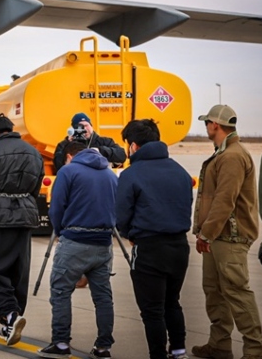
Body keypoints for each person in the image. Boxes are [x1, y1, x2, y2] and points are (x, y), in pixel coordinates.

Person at [115, 119, 193, 359]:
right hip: (179, 246)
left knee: (152, 310)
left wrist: (130, 234)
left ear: (134, 146)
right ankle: (179, 350)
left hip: (148, 248)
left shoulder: (131, 174)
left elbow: (121, 215)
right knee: (172, 302)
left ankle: (157, 354)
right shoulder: (179, 170)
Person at [191, 105, 262, 359]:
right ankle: (220, 344)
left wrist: (205, 234)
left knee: (236, 291)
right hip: (218, 236)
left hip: (229, 237)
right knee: (214, 290)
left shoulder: (232, 155)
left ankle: (254, 350)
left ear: (215, 125)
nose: (206, 128)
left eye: (207, 123)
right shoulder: (223, 153)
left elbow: (225, 200)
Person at [38, 141, 116, 359]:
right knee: (103, 297)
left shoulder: (68, 171)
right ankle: (103, 347)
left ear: (70, 156)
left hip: (75, 240)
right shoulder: (110, 175)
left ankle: (61, 342)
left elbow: (56, 207)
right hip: (103, 243)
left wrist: (61, 231)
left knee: (61, 291)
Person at [0, 112, 43, 346]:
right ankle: (10, 322)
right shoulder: (32, 151)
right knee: (18, 269)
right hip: (25, 215)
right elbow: (36, 185)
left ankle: (9, 313)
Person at [53, 112, 126, 172]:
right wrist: (68, 143)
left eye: (86, 125)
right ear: (73, 129)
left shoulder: (104, 142)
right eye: (80, 127)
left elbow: (122, 155)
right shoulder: (64, 145)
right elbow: (58, 165)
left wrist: (100, 151)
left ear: (91, 126)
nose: (84, 129)